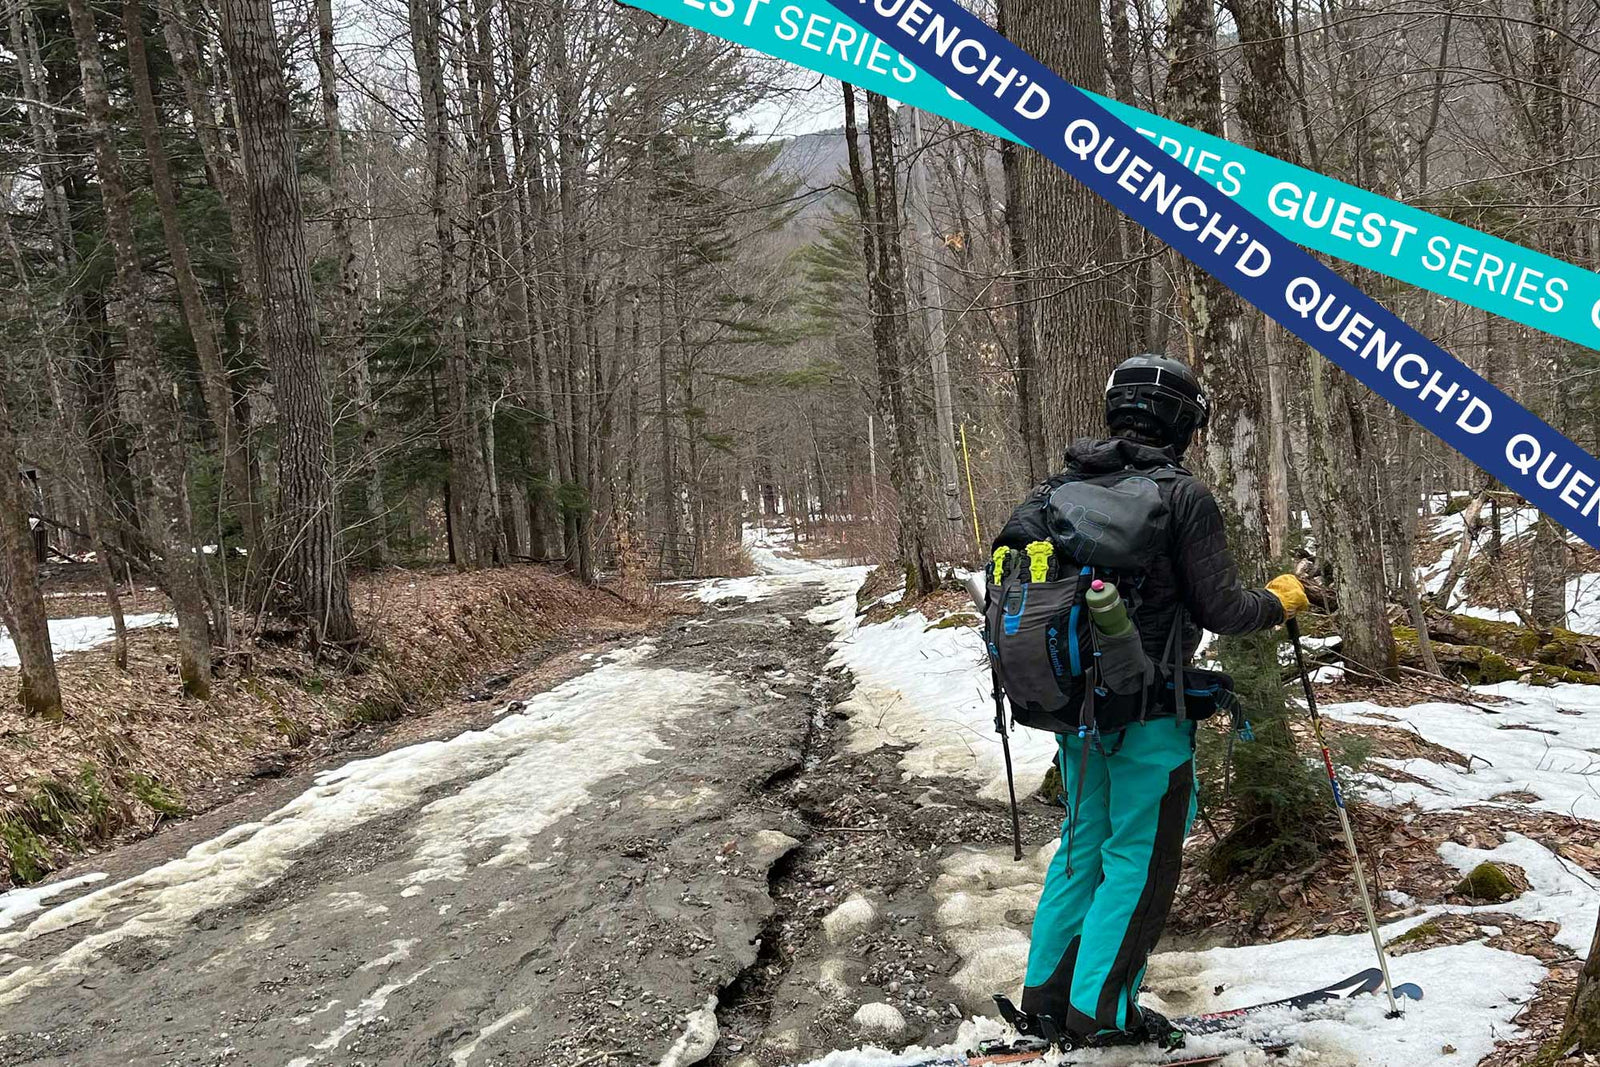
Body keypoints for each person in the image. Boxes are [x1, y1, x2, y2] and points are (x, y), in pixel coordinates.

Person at [1012, 353, 1309, 1049]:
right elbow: (1223, 609)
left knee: (1083, 849)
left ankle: (1047, 1001)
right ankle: (1104, 1014)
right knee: (1138, 861)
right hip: (1151, 713)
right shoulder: (1182, 496)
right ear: (1182, 422)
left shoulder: (1056, 490)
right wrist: (1281, 600)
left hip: (1076, 712)